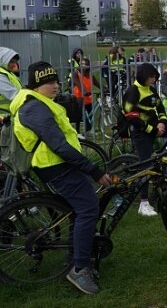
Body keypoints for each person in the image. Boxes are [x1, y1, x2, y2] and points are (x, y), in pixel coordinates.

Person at [11, 61, 111, 294]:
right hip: (57, 166)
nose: (55, 86)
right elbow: (58, 145)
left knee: (78, 210)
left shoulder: (39, 103)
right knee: (88, 210)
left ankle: (76, 257)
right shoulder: (34, 108)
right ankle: (80, 269)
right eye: (49, 82)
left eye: (56, 81)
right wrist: (93, 171)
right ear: (36, 85)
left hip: (59, 164)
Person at [123, 63, 167, 216]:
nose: (154, 80)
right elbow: (130, 116)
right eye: (151, 77)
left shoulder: (151, 89)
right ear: (143, 77)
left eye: (155, 77)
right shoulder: (132, 92)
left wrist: (162, 122)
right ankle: (144, 203)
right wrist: (152, 129)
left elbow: (160, 108)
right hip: (142, 132)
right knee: (146, 166)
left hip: (157, 126)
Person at [71, 58, 99, 134]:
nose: (84, 66)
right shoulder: (76, 74)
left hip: (88, 98)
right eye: (82, 64)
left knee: (90, 114)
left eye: (86, 64)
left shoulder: (90, 75)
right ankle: (78, 132)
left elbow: (97, 83)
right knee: (78, 116)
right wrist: (85, 91)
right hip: (78, 98)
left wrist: (104, 88)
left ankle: (88, 130)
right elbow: (78, 84)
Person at [0, 47, 22, 124]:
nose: (14, 64)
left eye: (15, 62)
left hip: (9, 118)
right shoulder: (1, 75)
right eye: (11, 62)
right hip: (4, 120)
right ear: (3, 60)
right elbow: (15, 95)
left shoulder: (8, 73)